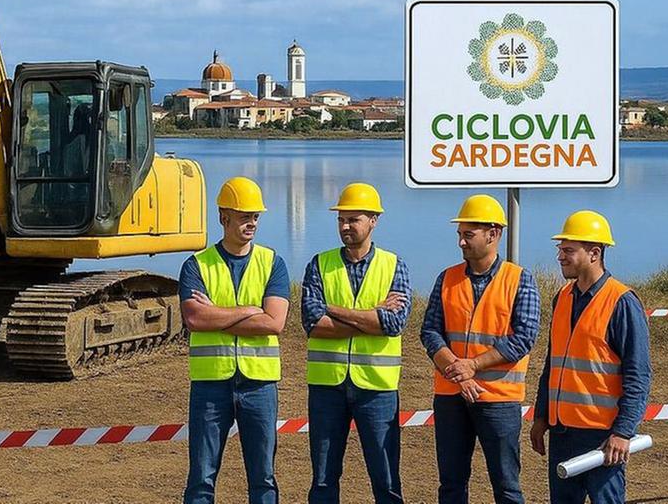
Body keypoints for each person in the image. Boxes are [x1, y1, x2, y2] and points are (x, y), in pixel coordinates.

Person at [420, 194, 540, 504]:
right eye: (460, 234)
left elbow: (524, 338)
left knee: (506, 485)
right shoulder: (446, 278)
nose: (461, 242)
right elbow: (430, 331)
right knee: (451, 484)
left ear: (494, 233)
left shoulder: (519, 280)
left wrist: (472, 366)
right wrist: (460, 374)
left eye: (468, 234)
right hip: (451, 396)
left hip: (498, 399)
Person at [179, 176, 290, 504]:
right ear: (223, 218)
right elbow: (195, 319)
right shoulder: (196, 265)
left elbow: (275, 322)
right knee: (201, 477)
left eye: (255, 216)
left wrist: (219, 315)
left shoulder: (273, 263)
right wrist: (248, 310)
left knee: (264, 479)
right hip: (211, 384)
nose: (252, 222)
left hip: (260, 385)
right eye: (245, 216)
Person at [529, 211, 652, 504]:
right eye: (560, 249)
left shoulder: (621, 302)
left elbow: (639, 375)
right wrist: (541, 416)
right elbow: (553, 364)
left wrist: (623, 432)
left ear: (594, 253)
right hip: (562, 432)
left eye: (568, 250)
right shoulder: (562, 297)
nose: (560, 256)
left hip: (603, 437)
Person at [301, 183, 411, 504]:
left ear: (373, 220)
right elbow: (313, 323)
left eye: (353, 219)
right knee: (323, 480)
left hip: (376, 389)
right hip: (326, 388)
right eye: (341, 219)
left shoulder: (393, 265)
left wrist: (333, 309)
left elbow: (393, 323)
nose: (345, 226)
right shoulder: (319, 264)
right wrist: (371, 318)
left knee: (386, 480)